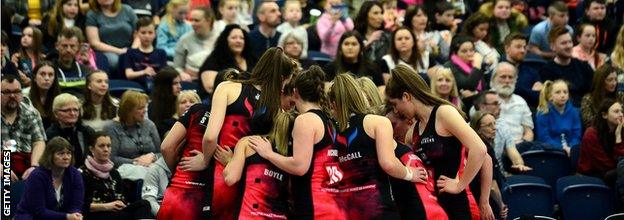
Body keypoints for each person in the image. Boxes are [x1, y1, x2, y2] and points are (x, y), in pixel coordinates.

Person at [201, 47, 295, 219]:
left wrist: (204, 160)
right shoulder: (278, 108)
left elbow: (210, 137)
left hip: (222, 171)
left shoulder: (227, 87)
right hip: (251, 183)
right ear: (282, 79)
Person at [385, 64, 487, 219]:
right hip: (435, 206)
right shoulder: (412, 133)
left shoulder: (444, 113)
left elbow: (480, 149)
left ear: (406, 96)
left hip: (459, 202)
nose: (397, 110)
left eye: (395, 104)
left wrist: (460, 184)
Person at [246, 65, 342, 219]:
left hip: (313, 205)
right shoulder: (329, 120)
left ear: (295, 92)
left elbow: (299, 167)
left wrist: (268, 154)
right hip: (332, 203)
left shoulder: (305, 120)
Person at [328, 73, 428, 219]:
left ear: (334, 104)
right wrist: (410, 173)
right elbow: (388, 163)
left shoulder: (332, 132)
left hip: (347, 209)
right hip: (378, 207)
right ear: (359, 95)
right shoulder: (377, 122)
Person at [222, 111, 295, 219]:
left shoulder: (249, 142)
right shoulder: (295, 157)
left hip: (249, 216)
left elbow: (230, 178)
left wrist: (230, 161)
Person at [80, 132, 153, 220]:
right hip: (96, 214)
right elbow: (80, 204)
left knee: (144, 204)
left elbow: (122, 197)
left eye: (109, 146)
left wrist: (121, 203)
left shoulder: (114, 172)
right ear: (91, 149)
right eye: (101, 146)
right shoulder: (82, 173)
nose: (106, 149)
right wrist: (107, 206)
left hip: (116, 212)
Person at [158, 101, 212, 219]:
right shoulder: (240, 118)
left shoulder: (197, 109)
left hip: (176, 190)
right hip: (205, 196)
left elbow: (166, 147)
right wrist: (207, 161)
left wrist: (179, 168)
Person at [14, 137, 84, 220]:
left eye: (69, 153)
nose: (66, 157)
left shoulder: (75, 175)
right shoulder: (37, 176)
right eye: (61, 153)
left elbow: (76, 204)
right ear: (50, 155)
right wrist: (67, 217)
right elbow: (38, 211)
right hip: (31, 217)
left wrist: (75, 215)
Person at [104, 91, 160, 179]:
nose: (145, 110)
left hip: (152, 168)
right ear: (128, 110)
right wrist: (135, 162)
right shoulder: (112, 128)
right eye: (140, 108)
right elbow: (111, 158)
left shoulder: (149, 124)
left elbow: (161, 152)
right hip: (126, 174)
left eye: (145, 107)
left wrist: (153, 157)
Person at [472, 91, 532, 174]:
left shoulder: (502, 127)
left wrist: (519, 164)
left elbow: (513, 152)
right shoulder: (468, 130)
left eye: (499, 104)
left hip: (499, 175)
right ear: (482, 106)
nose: (500, 107)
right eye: (495, 104)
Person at [1, 74, 47, 181]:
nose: (12, 96)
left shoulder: (31, 113)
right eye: (7, 92)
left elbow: (39, 142)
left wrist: (34, 166)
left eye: (17, 91)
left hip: (26, 164)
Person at [539, 26, 594, 107]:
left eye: (570, 42)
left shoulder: (584, 66)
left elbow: (594, 91)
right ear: (552, 46)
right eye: (563, 43)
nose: (568, 46)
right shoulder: (546, 71)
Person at [469, 111, 509, 220]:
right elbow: (492, 186)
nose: (494, 128)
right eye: (489, 125)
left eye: (494, 123)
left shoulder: (474, 145)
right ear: (478, 129)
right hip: (486, 203)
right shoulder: (485, 148)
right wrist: (501, 205)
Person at [198, 24, 256, 98]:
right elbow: (210, 87)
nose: (238, 41)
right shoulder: (215, 59)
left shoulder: (252, 59)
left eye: (242, 38)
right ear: (225, 40)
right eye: (234, 38)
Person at [578, 99, 624, 182]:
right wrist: (618, 139)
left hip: (614, 172)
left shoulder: (620, 130)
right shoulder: (591, 134)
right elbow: (605, 165)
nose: (621, 115)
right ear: (604, 115)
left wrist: (618, 135)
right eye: (616, 112)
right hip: (593, 175)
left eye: (621, 111)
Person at [85, 0, 138, 71]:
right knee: (115, 61)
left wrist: (132, 50)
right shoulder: (92, 14)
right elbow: (94, 43)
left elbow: (139, 34)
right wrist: (120, 51)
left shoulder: (127, 10)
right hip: (107, 51)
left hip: (130, 48)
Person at [46, 93, 95, 168]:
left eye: (75, 110)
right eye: (67, 110)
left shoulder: (87, 131)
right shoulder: (50, 134)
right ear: (56, 113)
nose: (72, 113)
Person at [491, 62, 535, 145]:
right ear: (493, 79)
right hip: (495, 149)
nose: (507, 81)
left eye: (510, 77)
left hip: (520, 147)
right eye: (503, 77)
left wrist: (522, 145)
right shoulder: (486, 101)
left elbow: (529, 131)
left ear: (515, 80)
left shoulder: (521, 101)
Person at [535, 80, 582, 154]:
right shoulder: (543, 112)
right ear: (550, 96)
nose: (562, 95)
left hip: (571, 150)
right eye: (558, 92)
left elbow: (576, 135)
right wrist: (561, 148)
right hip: (550, 151)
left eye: (565, 92)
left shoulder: (574, 112)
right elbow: (544, 137)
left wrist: (571, 148)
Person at [173, 6, 217, 81]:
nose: (192, 23)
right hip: (191, 82)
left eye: (196, 20)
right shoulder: (184, 39)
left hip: (214, 81)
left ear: (208, 21)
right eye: (191, 20)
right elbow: (177, 67)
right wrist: (182, 74)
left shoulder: (220, 38)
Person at [123, 17, 167, 90]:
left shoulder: (161, 53)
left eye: (150, 33)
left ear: (155, 34)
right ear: (137, 33)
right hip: (136, 88)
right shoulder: (131, 52)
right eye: (143, 33)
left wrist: (155, 74)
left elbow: (164, 76)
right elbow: (129, 74)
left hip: (157, 88)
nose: (147, 36)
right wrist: (144, 72)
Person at [444, 35, 485, 112]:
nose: (469, 54)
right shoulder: (449, 66)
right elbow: (469, 86)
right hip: (458, 108)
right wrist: (477, 67)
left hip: (477, 106)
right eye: (464, 51)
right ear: (455, 52)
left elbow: (483, 88)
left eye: (471, 50)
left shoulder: (475, 64)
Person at [503, 33, 542, 108]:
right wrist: (530, 92)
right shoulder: (498, 70)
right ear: (507, 48)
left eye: (524, 47)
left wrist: (518, 90)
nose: (523, 50)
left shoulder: (532, 72)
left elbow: (540, 97)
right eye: (518, 47)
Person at [27, 61, 62, 129]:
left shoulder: (59, 98)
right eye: (42, 74)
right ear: (34, 77)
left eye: (50, 75)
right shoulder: (25, 97)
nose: (47, 78)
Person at [149, 67, 182, 138]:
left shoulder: (181, 103)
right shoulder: (152, 107)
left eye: (179, 83)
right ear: (164, 86)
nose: (179, 86)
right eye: (175, 83)